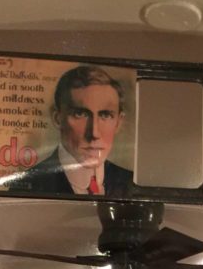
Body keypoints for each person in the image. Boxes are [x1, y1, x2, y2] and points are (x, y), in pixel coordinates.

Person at [11, 65, 133, 197]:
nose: (94, 133)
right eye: (80, 114)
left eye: (105, 115)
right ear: (58, 119)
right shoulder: (27, 187)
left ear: (118, 122)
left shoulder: (131, 184)